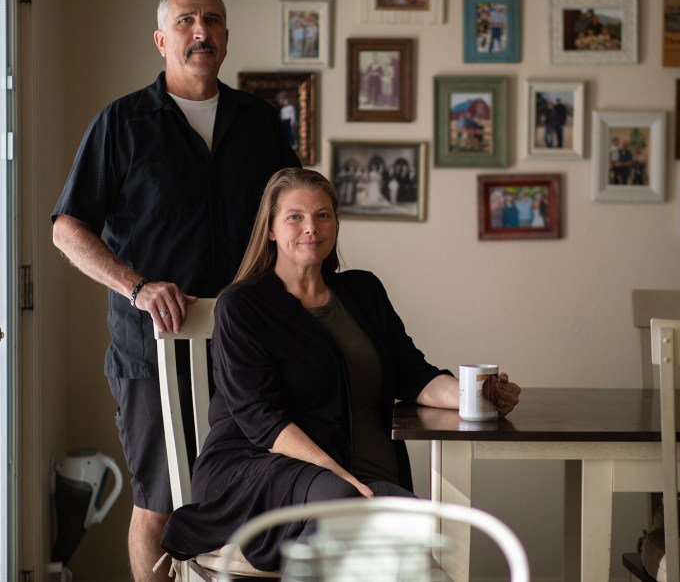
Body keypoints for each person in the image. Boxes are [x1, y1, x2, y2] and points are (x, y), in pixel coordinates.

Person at [51, 0, 301, 582]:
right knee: (159, 503)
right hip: (150, 350)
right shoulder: (122, 123)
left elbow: (291, 220)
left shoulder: (261, 123)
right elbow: (67, 228)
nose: (201, 32)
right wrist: (138, 288)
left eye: (212, 21)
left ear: (225, 37)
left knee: (258, 495)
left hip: (250, 349)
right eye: (187, 21)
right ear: (162, 39)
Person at [158, 168, 522, 570]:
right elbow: (261, 420)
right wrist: (339, 476)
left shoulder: (363, 291)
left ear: (336, 223)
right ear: (271, 229)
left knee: (408, 520)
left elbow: (414, 375)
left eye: (323, 215)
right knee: (351, 508)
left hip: (356, 478)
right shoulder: (243, 306)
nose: (311, 227)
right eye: (295, 216)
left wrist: (478, 397)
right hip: (256, 470)